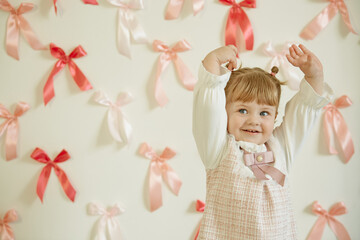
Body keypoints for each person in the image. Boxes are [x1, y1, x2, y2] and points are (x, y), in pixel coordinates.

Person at [192, 44, 333, 239]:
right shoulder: (218, 149)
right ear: (225, 112)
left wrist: (314, 76)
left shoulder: (280, 147)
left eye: (264, 113)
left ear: (275, 117)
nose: (254, 120)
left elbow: (305, 111)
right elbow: (207, 108)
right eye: (242, 110)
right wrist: (213, 60)